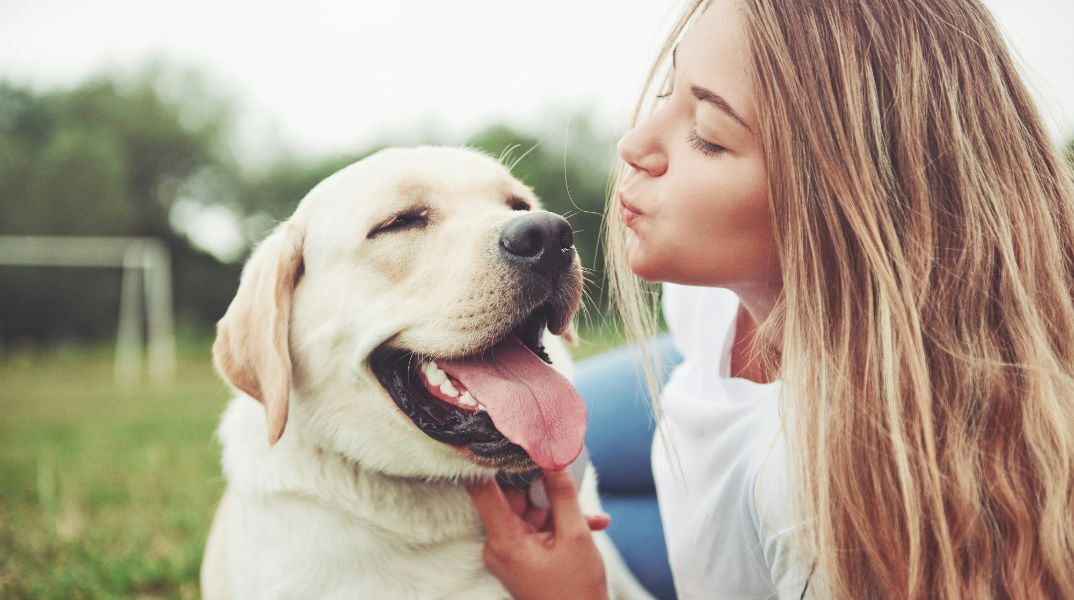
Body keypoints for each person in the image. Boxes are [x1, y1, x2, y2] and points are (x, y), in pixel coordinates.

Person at [467, 0, 1074, 597]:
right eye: (667, 92)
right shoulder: (718, 296)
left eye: (706, 137)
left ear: (840, 202)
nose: (634, 145)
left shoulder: (813, 498)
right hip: (700, 385)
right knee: (549, 451)